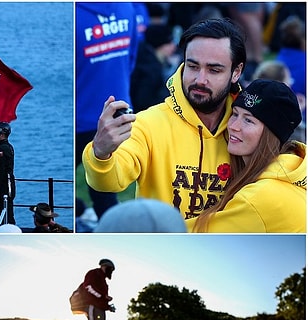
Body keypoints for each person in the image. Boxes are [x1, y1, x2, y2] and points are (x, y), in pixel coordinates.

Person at [83, 18, 247, 222]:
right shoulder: (148, 123)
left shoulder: (251, 129)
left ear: (236, 72)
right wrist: (101, 152)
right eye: (193, 66)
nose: (200, 80)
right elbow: (109, 182)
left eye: (214, 70)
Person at [188, 79, 305, 232]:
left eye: (248, 120)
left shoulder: (258, 198)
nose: (233, 126)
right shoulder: (292, 172)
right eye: (235, 114)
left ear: (271, 134)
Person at [76, 2, 140, 222]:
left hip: (81, 117)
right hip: (117, 110)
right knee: (104, 186)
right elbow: (132, 58)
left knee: (99, 186)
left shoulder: (75, 15)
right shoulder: (127, 7)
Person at [130, 24, 179, 112]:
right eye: (169, 42)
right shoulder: (150, 70)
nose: (173, 46)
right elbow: (144, 102)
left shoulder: (143, 56)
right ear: (160, 45)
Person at [0, 122, 16, 224]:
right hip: (7, 184)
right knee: (6, 212)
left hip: (4, 186)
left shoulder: (2, 149)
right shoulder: (7, 147)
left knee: (4, 213)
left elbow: (0, 171)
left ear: (1, 134)